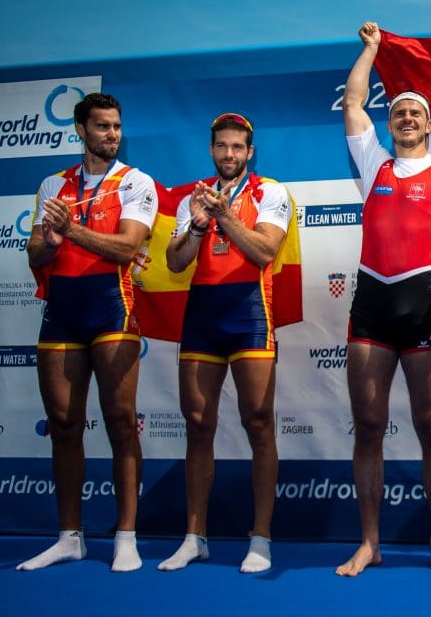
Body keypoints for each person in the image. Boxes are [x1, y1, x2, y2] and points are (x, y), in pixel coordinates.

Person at [336, 22, 431, 577]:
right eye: (399, 114)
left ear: (429, 125)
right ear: (390, 125)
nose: (407, 118)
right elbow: (352, 101)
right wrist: (371, 50)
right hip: (370, 305)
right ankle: (370, 541)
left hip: (423, 305)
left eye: (415, 113)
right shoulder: (375, 166)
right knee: (368, 428)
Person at [21, 93, 157, 572]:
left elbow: (125, 248)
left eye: (116, 126)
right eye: (102, 126)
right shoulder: (53, 184)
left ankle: (126, 536)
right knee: (63, 426)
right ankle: (69, 536)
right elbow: (36, 253)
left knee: (121, 422)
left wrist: (71, 231)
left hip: (111, 311)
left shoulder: (136, 182)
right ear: (80, 129)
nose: (112, 134)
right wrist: (50, 239)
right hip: (62, 312)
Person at [158, 112, 291, 574]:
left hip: (250, 313)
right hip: (203, 316)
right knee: (197, 423)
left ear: (249, 152)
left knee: (258, 422)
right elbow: (175, 264)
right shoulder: (192, 198)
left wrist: (224, 216)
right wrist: (197, 226)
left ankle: (261, 538)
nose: (229, 154)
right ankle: (195, 537)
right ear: (211, 150)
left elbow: (265, 251)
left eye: (237, 147)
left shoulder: (270, 192)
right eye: (221, 147)